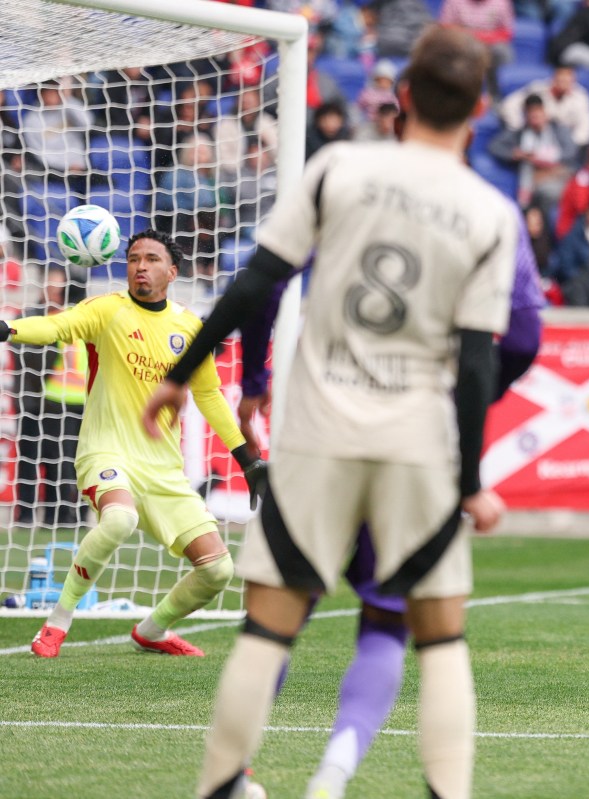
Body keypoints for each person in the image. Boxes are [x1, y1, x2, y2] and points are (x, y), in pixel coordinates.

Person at [144, 28, 515, 799]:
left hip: (315, 436)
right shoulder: (490, 212)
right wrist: (472, 479)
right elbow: (476, 360)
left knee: (269, 626)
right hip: (417, 444)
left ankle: (218, 786)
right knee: (441, 637)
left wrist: (181, 374)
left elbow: (257, 282)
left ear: (401, 96)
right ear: (479, 111)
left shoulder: (337, 168)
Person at [0, 230, 264, 658]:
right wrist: (8, 328)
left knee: (218, 569)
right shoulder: (107, 310)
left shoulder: (189, 327)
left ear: (172, 271)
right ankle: (57, 621)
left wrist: (245, 459)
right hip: (106, 451)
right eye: (134, 258)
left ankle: (152, 630)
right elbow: (56, 325)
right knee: (118, 520)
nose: (141, 266)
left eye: (152, 259)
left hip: (162, 468)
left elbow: (210, 396)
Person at [12, 267, 86, 528]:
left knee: (62, 461)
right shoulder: (29, 316)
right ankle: (25, 516)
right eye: (49, 283)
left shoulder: (73, 318)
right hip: (33, 400)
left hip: (64, 403)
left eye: (58, 284)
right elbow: (24, 354)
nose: (53, 289)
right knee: (30, 461)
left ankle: (58, 517)